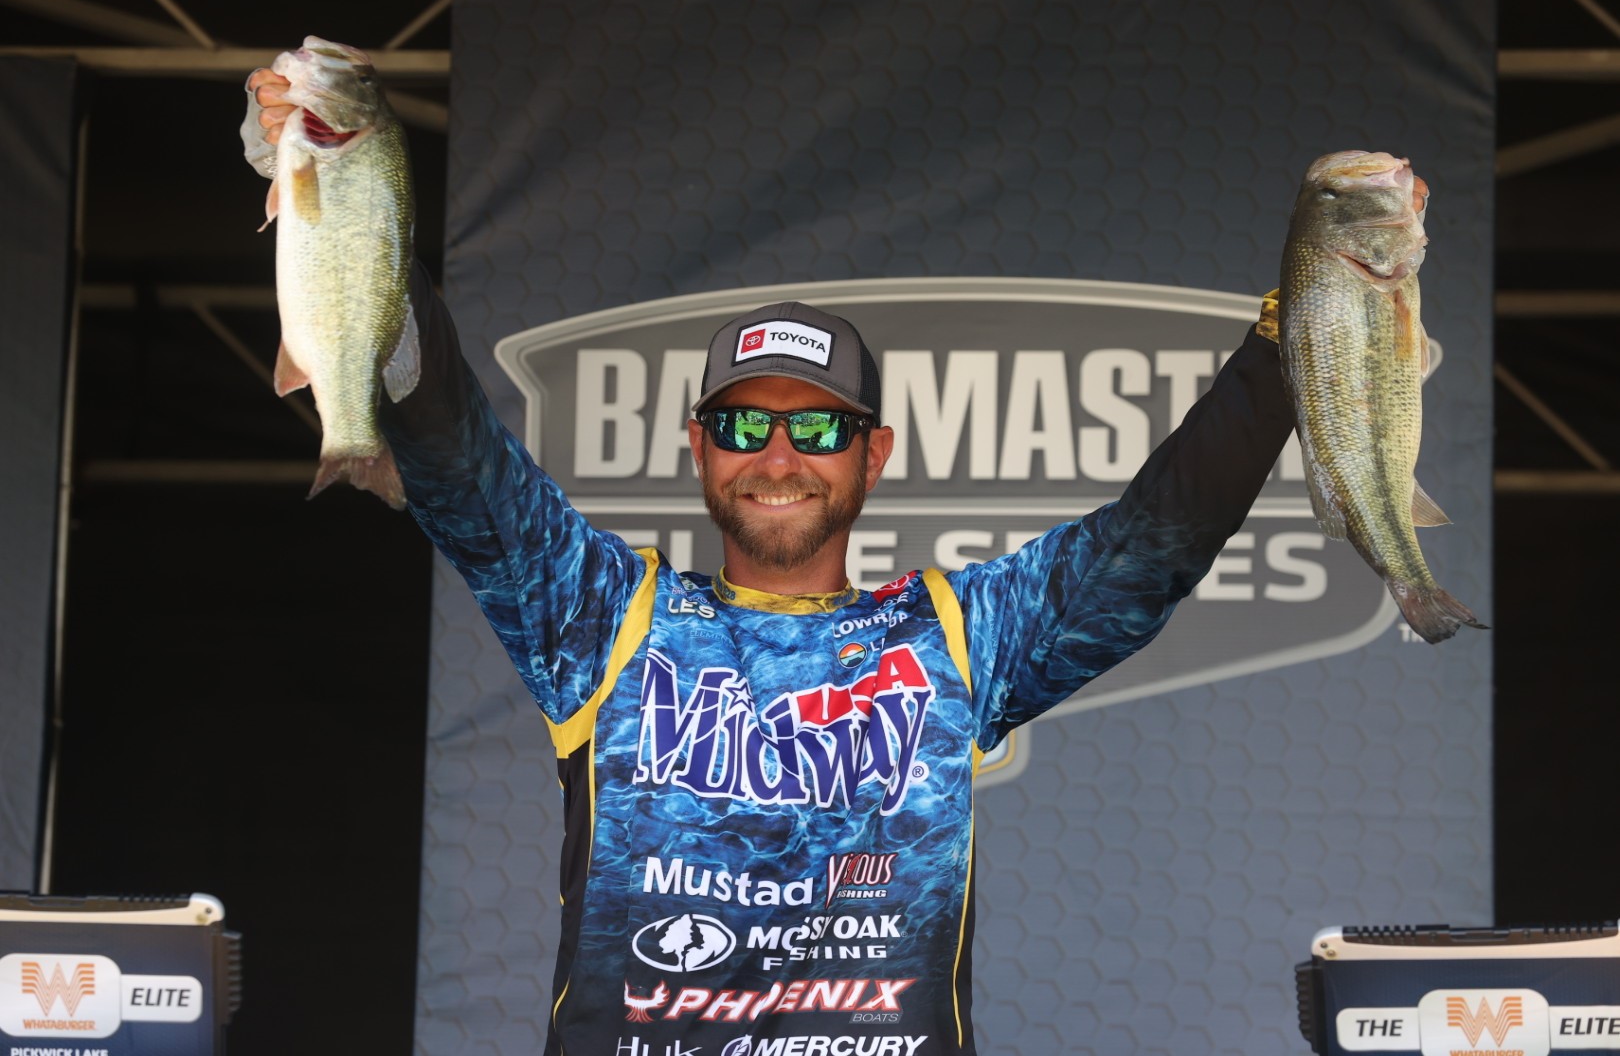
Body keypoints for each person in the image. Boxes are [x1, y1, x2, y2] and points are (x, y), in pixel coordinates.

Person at [247, 63, 1294, 1056]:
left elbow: (1157, 541)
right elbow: (451, 449)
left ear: (873, 456)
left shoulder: (957, 638)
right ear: (700, 449)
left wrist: (1301, 335)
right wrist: (334, 196)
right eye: (745, 430)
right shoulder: (605, 616)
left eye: (820, 430)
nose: (780, 457)